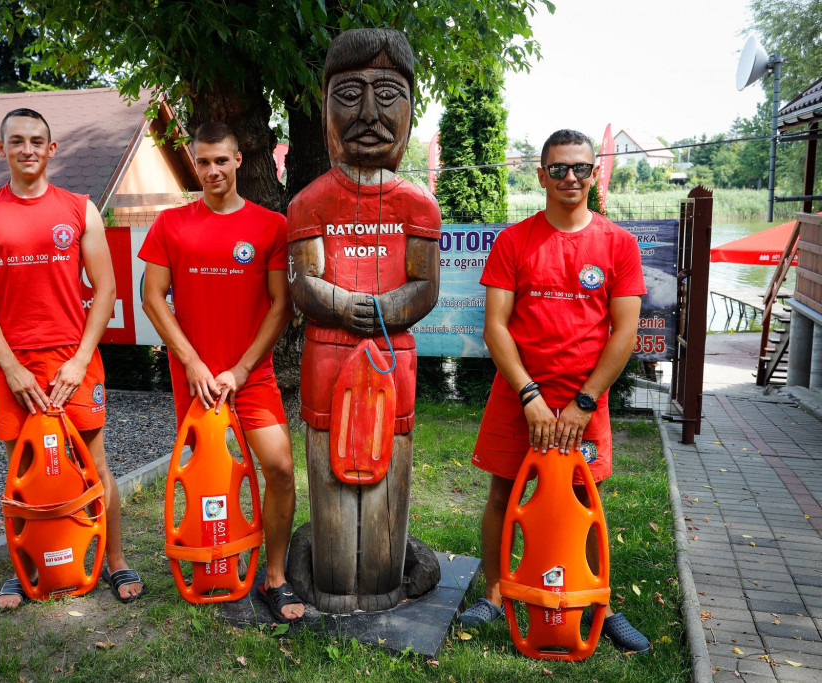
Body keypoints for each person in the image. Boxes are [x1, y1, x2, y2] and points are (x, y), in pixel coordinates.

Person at [460, 129, 650, 654]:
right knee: (502, 494)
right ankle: (496, 595)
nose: (571, 178)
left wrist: (584, 403)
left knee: (588, 500)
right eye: (560, 168)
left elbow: (625, 333)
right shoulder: (514, 241)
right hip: (518, 394)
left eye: (581, 168)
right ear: (541, 174)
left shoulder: (618, 244)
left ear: (594, 174)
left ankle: (599, 604)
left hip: (585, 401)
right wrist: (529, 396)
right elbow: (495, 327)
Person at [0, 108, 145, 609]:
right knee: (23, 472)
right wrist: (13, 367)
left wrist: (81, 359)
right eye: (16, 141)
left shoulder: (80, 208)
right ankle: (27, 568)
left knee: (97, 466)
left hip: (73, 360)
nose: (27, 149)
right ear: (2, 150)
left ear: (52, 148)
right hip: (13, 364)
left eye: (37, 141)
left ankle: (116, 560)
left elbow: (105, 288)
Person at [286, 28, 441, 611]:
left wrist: (381, 310)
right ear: (326, 108)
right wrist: (339, 305)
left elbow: (425, 286)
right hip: (327, 349)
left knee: (389, 468)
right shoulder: (310, 201)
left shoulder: (418, 203)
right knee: (327, 468)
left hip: (393, 351)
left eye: (388, 94)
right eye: (349, 95)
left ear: (411, 105)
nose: (370, 113)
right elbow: (302, 280)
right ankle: (330, 578)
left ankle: (379, 578)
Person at [139, 121, 305, 623]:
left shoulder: (270, 226)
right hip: (193, 380)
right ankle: (212, 560)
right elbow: (152, 298)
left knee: (278, 468)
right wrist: (192, 361)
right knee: (207, 477)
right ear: (195, 163)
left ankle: (274, 578)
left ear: (239, 161)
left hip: (250, 376)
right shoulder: (171, 225)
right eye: (203, 161)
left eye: (221, 160)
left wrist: (239, 368)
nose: (212, 170)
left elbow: (281, 306)